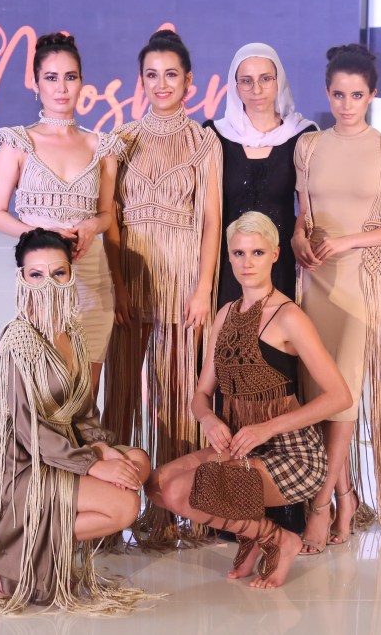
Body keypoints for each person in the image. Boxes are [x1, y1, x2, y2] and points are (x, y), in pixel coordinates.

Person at [0, 229, 153, 613]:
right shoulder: (18, 342)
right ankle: (12, 552)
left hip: (65, 446)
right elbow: (28, 429)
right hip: (24, 460)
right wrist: (93, 465)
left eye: (58, 273)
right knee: (125, 507)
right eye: (36, 274)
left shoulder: (73, 332)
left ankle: (35, 548)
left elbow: (82, 411)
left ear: (71, 274)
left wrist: (102, 449)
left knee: (138, 463)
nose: (48, 284)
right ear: (21, 278)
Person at [148, 212, 350, 588]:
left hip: (292, 456)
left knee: (178, 492)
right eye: (239, 253)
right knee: (157, 485)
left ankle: (279, 539)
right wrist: (208, 419)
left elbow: (340, 396)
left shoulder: (289, 317)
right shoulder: (225, 314)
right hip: (244, 448)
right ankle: (256, 535)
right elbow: (201, 395)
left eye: (257, 252)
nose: (247, 263)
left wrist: (266, 428)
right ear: (228, 256)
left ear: (275, 254)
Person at [292, 43, 381, 553]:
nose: (347, 104)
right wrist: (299, 238)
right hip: (314, 283)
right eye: (339, 95)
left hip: (360, 282)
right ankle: (345, 496)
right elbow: (303, 214)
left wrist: (347, 241)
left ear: (372, 95)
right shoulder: (309, 146)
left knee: (342, 394)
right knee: (318, 394)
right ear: (327, 93)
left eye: (357, 95)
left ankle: (320, 504)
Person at [103, 29, 222, 547]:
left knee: (175, 398)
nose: (161, 84)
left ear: (189, 80)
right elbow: (109, 219)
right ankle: (114, 509)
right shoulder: (121, 139)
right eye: (151, 75)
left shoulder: (204, 142)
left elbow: (212, 221)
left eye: (171, 74)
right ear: (141, 81)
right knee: (121, 395)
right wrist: (117, 286)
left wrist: (203, 288)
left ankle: (172, 510)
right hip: (132, 278)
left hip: (182, 282)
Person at [0, 32, 121, 395]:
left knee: (86, 397)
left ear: (82, 82)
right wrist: (41, 233)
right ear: (36, 84)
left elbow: (107, 215)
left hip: (91, 283)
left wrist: (92, 224)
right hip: (42, 285)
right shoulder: (18, 142)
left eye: (70, 77)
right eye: (51, 77)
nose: (61, 88)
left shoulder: (101, 145)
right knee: (43, 394)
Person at [204, 43, 317, 307]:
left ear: (279, 81)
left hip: (281, 262)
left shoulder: (303, 135)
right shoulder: (215, 135)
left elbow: (309, 208)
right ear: (235, 86)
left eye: (265, 79)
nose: (256, 90)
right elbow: (209, 215)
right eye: (246, 81)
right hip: (230, 263)